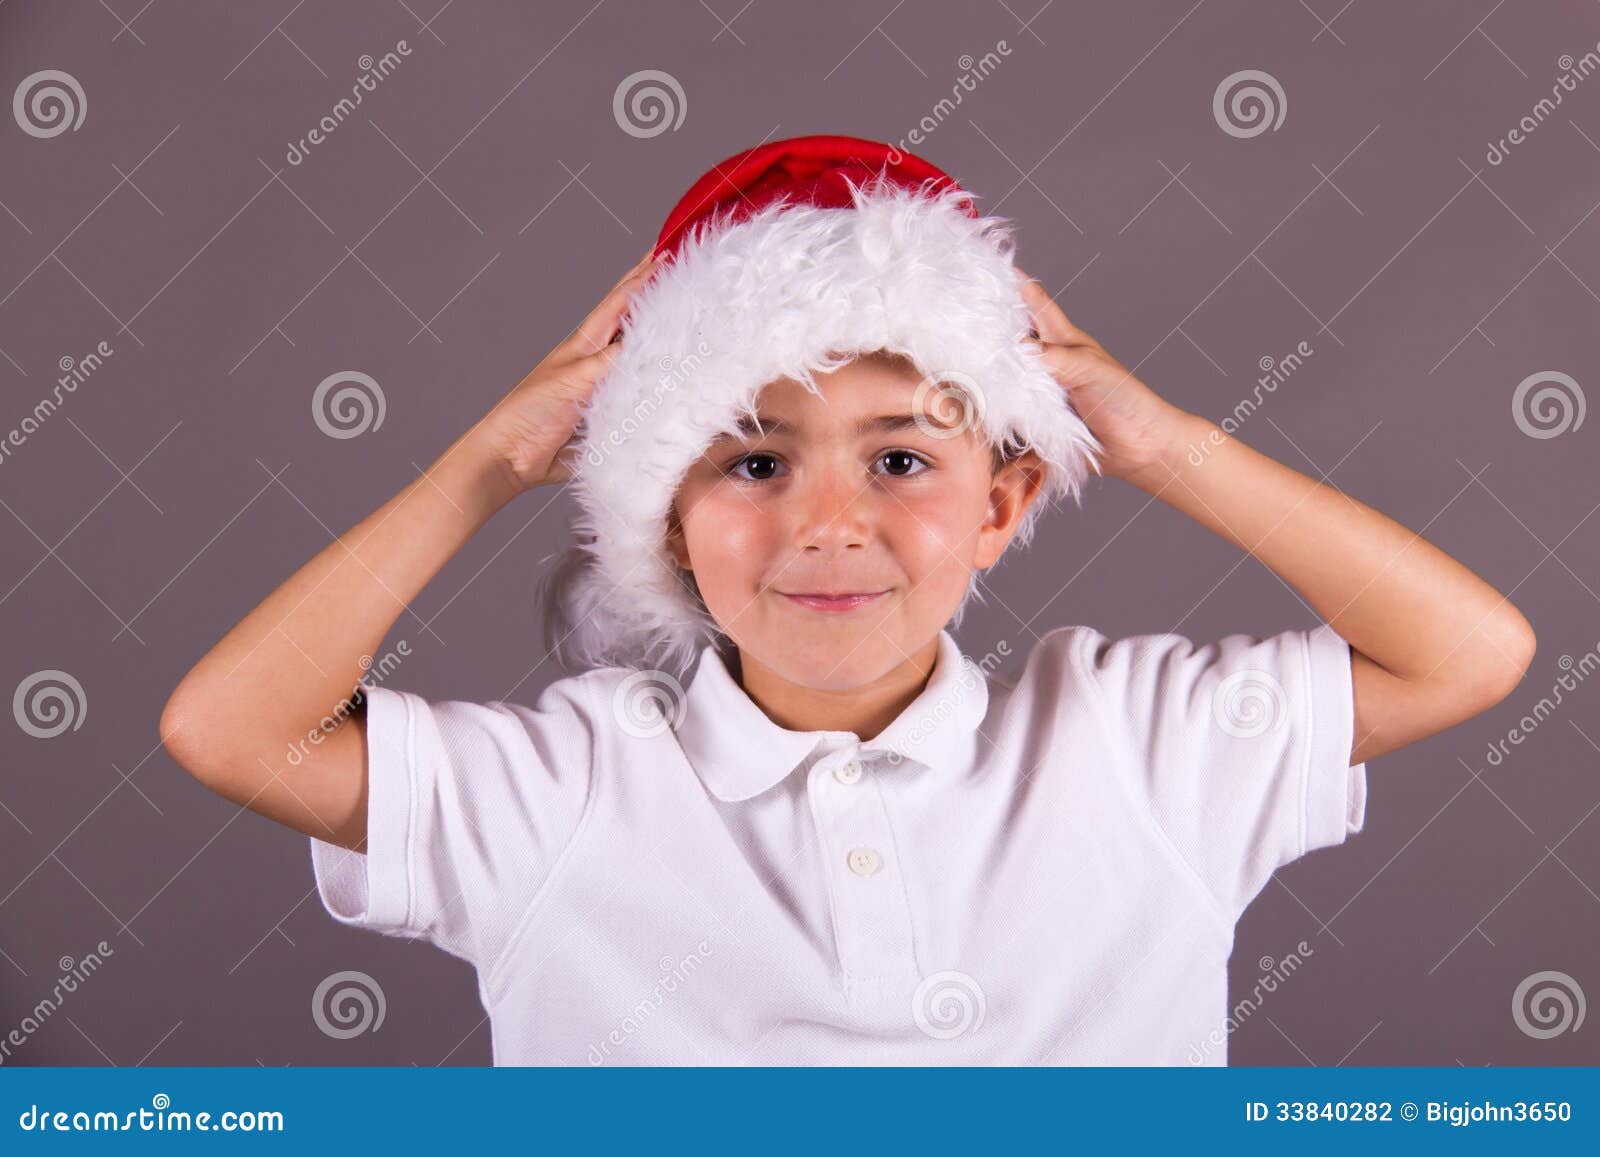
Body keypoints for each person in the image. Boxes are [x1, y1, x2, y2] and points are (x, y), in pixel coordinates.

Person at [159, 135, 1535, 1065]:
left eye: (901, 457)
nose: (830, 520)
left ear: (1000, 506)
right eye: (753, 458)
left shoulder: (1138, 741)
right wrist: (484, 465)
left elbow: (1469, 651)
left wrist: (1164, 441)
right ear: (671, 524)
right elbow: (233, 730)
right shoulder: (562, 784)